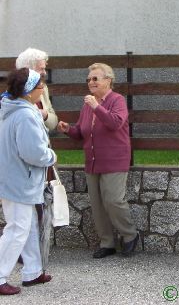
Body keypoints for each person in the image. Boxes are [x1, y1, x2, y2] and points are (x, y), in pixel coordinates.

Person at [57, 63, 139, 259]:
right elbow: (83, 132)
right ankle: (107, 243)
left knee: (113, 200)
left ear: (108, 80)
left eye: (95, 78)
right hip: (93, 162)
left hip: (114, 160)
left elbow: (115, 123)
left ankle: (129, 235)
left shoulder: (116, 100)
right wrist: (69, 129)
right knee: (97, 204)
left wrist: (96, 106)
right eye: (88, 79)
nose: (91, 82)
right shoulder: (88, 105)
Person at [0, 68, 56, 296]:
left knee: (27, 226)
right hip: (20, 180)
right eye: (39, 86)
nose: (42, 90)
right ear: (29, 91)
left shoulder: (13, 109)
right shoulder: (25, 114)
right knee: (17, 229)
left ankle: (32, 272)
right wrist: (51, 156)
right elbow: (33, 152)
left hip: (14, 178)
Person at [16, 48, 58, 131]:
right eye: (41, 69)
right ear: (29, 70)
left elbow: (54, 122)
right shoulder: (16, 93)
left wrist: (45, 115)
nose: (45, 73)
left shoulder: (43, 87)